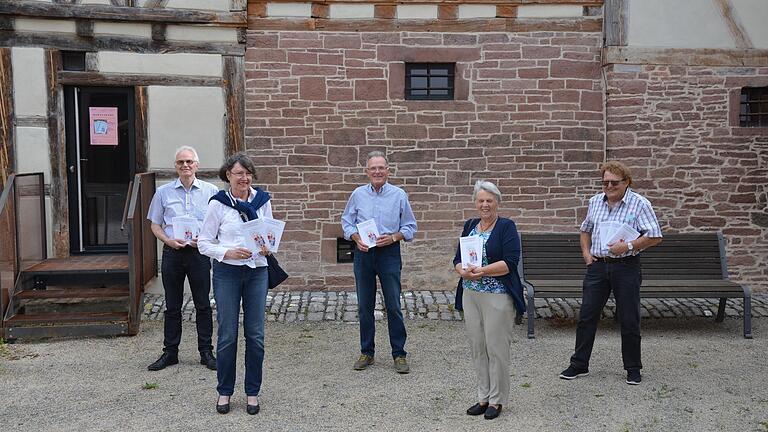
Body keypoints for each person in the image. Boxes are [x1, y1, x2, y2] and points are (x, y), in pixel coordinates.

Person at [559, 161, 662, 385]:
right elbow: (585, 229)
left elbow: (655, 236)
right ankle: (579, 364)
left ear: (626, 182)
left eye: (614, 182)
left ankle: (633, 368)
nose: (609, 186)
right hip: (597, 266)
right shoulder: (595, 201)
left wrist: (628, 246)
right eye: (605, 182)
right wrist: (586, 254)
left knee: (629, 318)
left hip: (626, 266)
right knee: (586, 316)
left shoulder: (640, 204)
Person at [198, 152, 273, 415]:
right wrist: (226, 252)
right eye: (239, 173)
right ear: (227, 175)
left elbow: (269, 235)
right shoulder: (218, 204)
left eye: (247, 173)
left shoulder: (262, 200)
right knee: (228, 335)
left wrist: (267, 248)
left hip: (257, 272)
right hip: (227, 273)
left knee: (256, 336)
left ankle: (252, 392)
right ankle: (224, 391)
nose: (244, 178)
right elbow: (204, 242)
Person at [453, 180, 526, 420]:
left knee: (496, 349)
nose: (485, 205)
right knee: (478, 348)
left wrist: (482, 270)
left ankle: (497, 400)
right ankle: (483, 397)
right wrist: (461, 270)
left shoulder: (506, 227)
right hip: (471, 294)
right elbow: (457, 258)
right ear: (476, 202)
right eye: (481, 200)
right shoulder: (470, 225)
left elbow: (510, 263)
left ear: (497, 203)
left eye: (489, 200)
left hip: (497, 296)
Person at [341, 151, 417, 374]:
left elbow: (410, 227)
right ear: (367, 172)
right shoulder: (357, 194)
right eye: (373, 168)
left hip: (389, 253)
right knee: (365, 306)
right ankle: (367, 352)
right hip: (364, 253)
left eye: (381, 168)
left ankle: (399, 353)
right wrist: (355, 238)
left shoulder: (399, 195)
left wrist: (394, 237)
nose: (377, 172)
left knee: (393, 304)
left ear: (388, 171)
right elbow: (347, 222)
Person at [146, 146, 218, 372]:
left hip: (199, 253)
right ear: (175, 167)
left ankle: (206, 352)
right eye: (180, 162)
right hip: (173, 253)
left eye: (189, 162)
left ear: (197, 165)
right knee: (172, 305)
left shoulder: (211, 191)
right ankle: (170, 352)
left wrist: (205, 240)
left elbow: (218, 223)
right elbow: (154, 225)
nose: (185, 166)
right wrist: (167, 241)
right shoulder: (163, 193)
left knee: (203, 305)